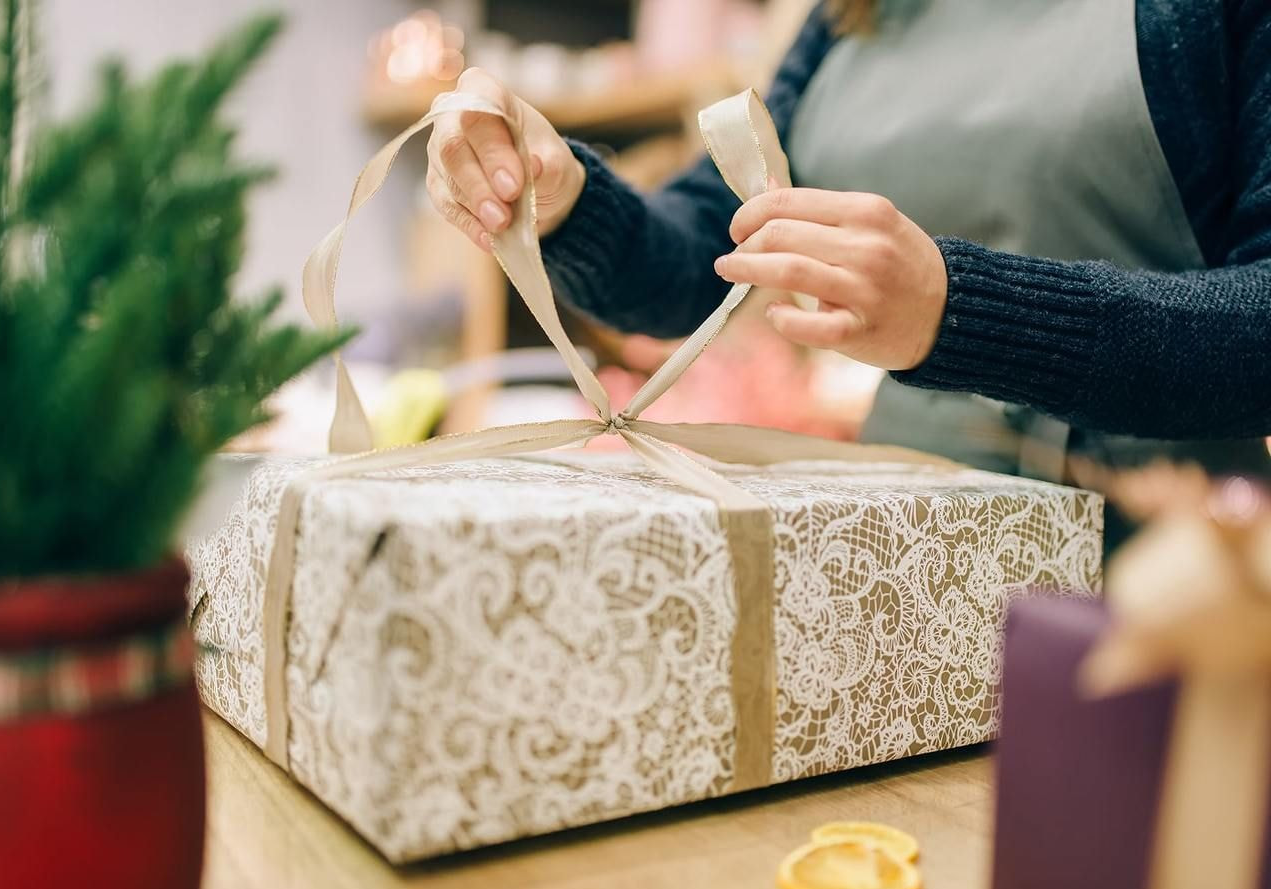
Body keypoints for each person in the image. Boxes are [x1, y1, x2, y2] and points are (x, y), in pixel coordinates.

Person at [424, 0, 1271, 521]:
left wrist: (955, 310)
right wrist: (568, 197)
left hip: (1166, 586)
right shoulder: (853, 13)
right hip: (892, 556)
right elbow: (710, 258)